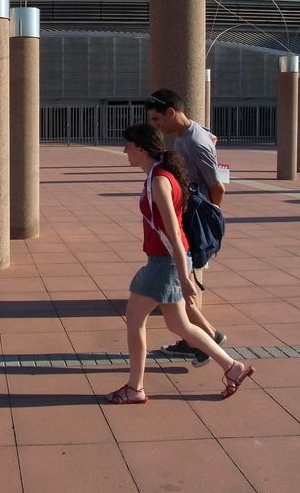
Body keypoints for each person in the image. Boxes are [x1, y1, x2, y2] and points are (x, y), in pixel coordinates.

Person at [105, 123, 253, 403]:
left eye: (128, 145)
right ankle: (232, 368)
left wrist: (185, 279)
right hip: (167, 260)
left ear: (141, 148)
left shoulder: (159, 180)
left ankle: (135, 388)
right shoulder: (161, 175)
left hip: (165, 263)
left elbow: (173, 230)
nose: (124, 150)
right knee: (180, 325)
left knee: (135, 319)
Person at [147, 89, 228, 364]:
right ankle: (199, 337)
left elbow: (217, 186)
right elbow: (211, 137)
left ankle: (205, 340)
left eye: (158, 119)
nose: (156, 125)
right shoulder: (188, 134)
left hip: (195, 219)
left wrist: (212, 216)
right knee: (185, 283)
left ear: (172, 112)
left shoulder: (194, 141)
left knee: (186, 283)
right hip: (188, 214)